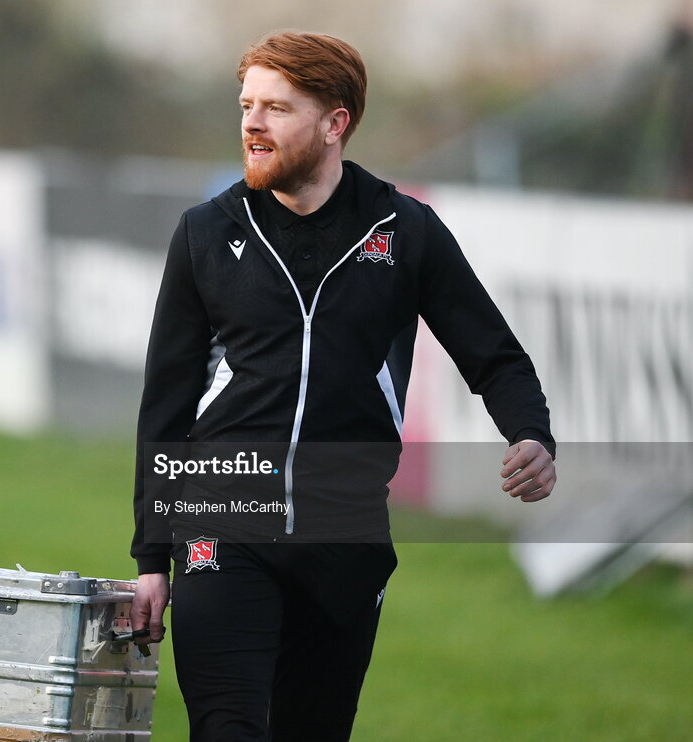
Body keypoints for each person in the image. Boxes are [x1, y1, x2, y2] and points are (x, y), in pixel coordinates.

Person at [129, 31, 556, 741]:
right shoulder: (206, 233)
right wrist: (150, 558)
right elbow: (166, 401)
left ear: (336, 122)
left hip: (345, 536)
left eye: (277, 108)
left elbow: (497, 357)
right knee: (228, 726)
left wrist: (532, 433)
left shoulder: (405, 231)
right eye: (246, 106)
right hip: (219, 519)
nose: (253, 125)